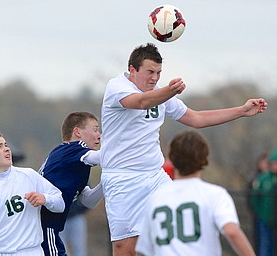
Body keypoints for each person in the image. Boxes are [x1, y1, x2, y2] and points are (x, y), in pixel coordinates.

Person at [100, 43, 268, 256]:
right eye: (149, 72)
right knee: (126, 249)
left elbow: (196, 118)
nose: (154, 78)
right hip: (123, 179)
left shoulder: (159, 95)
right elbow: (141, 102)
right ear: (132, 70)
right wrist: (169, 90)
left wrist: (241, 111)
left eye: (158, 73)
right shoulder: (117, 87)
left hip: (154, 176)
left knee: (175, 234)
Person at [136, 130, 256, 256]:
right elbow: (231, 231)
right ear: (204, 159)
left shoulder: (155, 198)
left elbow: (146, 249)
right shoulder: (215, 194)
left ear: (172, 159)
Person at [0, 131, 65, 256]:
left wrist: (45, 199)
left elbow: (60, 204)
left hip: (33, 251)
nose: (7, 149)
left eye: (6, 145)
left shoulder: (29, 175)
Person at [38, 112, 103, 256]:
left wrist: (106, 182)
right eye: (95, 129)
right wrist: (128, 147)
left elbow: (87, 200)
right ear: (77, 132)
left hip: (47, 226)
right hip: (43, 225)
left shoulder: (70, 159)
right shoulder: (73, 149)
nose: (99, 135)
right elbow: (100, 157)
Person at [250, 149, 277, 256]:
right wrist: (261, 213)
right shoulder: (263, 179)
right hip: (265, 219)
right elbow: (254, 198)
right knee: (265, 247)